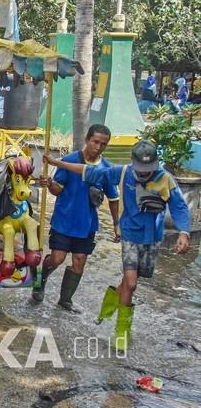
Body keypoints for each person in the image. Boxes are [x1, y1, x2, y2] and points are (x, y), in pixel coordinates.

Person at [44, 140, 192, 350]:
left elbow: (179, 207)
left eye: (148, 170)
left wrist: (183, 232)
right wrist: (57, 162)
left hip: (152, 238)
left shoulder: (165, 179)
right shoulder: (122, 173)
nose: (144, 174)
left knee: (129, 282)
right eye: (141, 170)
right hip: (130, 235)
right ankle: (122, 333)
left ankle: (105, 312)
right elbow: (87, 171)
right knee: (131, 283)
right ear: (133, 163)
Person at [34, 124, 120, 312]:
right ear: (87, 140)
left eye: (103, 144)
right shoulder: (70, 160)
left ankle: (65, 299)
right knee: (57, 258)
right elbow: (57, 190)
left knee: (79, 260)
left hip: (87, 224)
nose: (98, 147)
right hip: (64, 220)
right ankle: (40, 278)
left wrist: (116, 225)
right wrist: (50, 184)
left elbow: (113, 199)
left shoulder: (106, 169)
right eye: (95, 142)